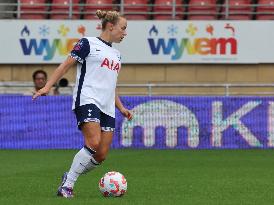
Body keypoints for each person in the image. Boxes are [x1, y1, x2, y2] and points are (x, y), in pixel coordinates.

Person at [32, 10, 133, 198]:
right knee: (93, 142)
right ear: (111, 26)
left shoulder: (117, 55)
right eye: (123, 28)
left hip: (107, 106)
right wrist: (47, 86)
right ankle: (67, 186)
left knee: (101, 154)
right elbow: (64, 65)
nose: (125, 33)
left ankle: (69, 176)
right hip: (88, 99)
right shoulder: (87, 43)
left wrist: (121, 108)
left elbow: (111, 85)